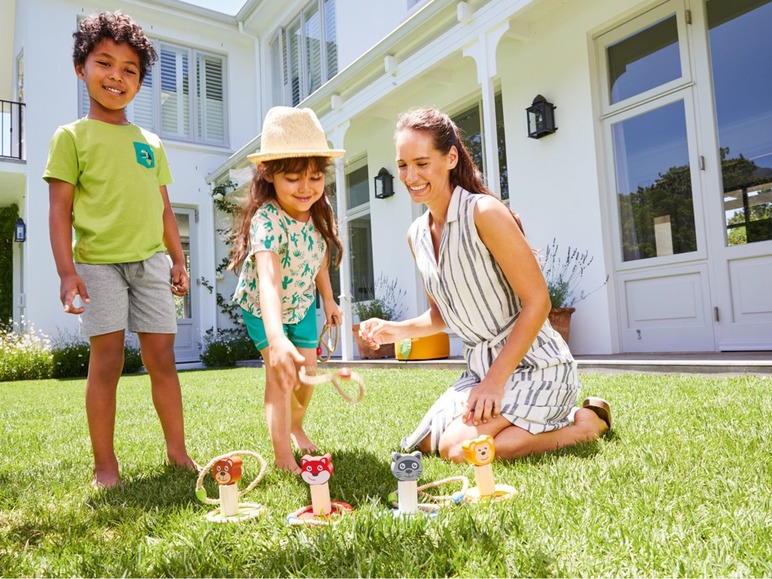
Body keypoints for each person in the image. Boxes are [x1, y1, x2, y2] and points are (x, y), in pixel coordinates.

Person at [359, 107, 611, 462]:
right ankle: (536, 422)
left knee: (458, 450)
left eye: (421, 162)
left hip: (535, 365)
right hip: (480, 370)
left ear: (450, 158)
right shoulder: (416, 235)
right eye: (402, 165)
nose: (410, 176)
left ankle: (585, 426)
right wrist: (394, 330)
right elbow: (441, 315)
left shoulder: (484, 212)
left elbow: (538, 301)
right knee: (428, 443)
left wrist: (494, 381)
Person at [45, 11, 196, 488]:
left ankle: (178, 453)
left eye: (129, 69)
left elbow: (164, 208)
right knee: (107, 360)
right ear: (81, 68)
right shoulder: (70, 137)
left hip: (151, 262)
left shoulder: (150, 142)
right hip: (98, 264)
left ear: (140, 82)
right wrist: (67, 272)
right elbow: (58, 210)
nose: (116, 76)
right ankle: (105, 467)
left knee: (162, 361)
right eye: (104, 63)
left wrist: (179, 259)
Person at [228, 106, 344, 475]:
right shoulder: (268, 221)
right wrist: (276, 338)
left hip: (303, 304)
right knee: (282, 376)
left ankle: (296, 425)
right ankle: (282, 455)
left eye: (314, 177)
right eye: (293, 178)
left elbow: (319, 259)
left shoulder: (317, 211)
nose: (306, 187)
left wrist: (328, 299)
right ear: (269, 175)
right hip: (265, 310)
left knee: (306, 374)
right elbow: (269, 279)